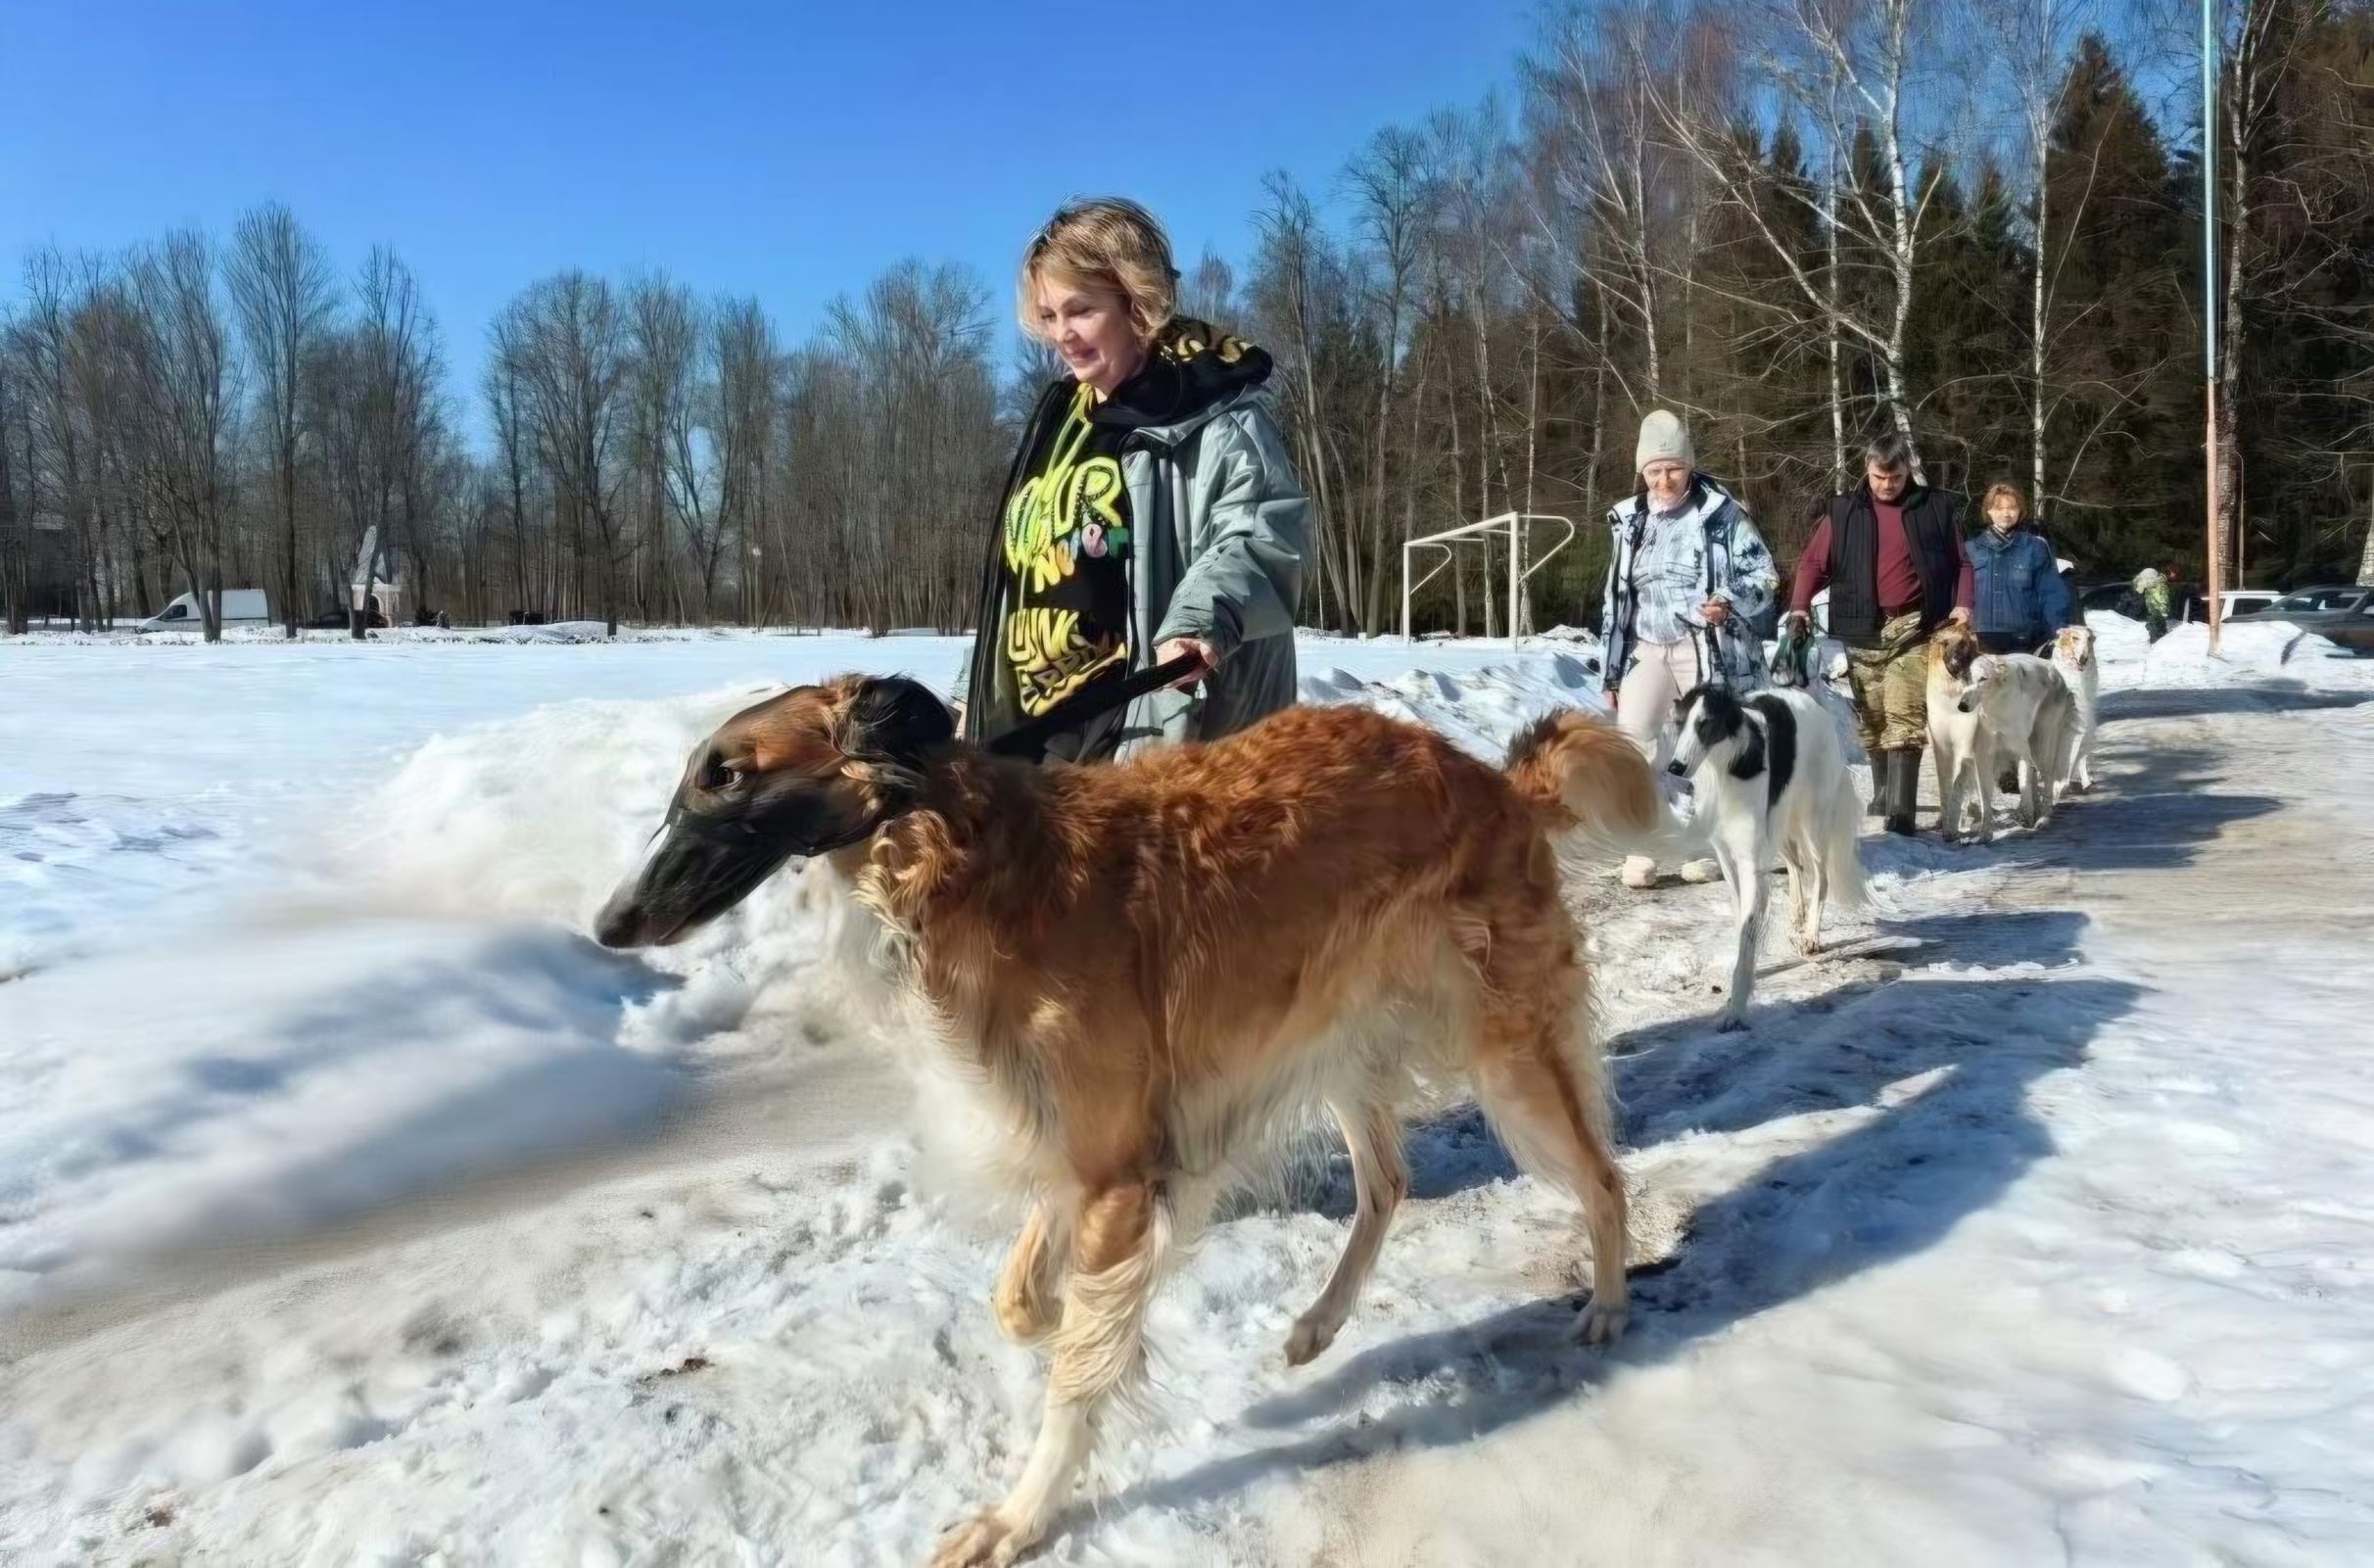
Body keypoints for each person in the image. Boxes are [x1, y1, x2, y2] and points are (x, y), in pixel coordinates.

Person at [956, 199, 1306, 762]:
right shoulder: (1059, 420)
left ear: (1137, 302)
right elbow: (1020, 575)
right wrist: (972, 691)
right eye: (1049, 316)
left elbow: (1260, 533)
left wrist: (1199, 622)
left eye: (1081, 310)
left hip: (1156, 727)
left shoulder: (1216, 414)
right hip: (1041, 731)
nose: (1063, 334)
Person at [1599, 408, 1780, 888]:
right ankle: (1644, 844)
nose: (1664, 480)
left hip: (1705, 645)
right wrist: (1611, 670)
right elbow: (1616, 598)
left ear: (1690, 465)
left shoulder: (1722, 515)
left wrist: (1729, 601)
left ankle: (1706, 845)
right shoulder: (1629, 520)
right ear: (1642, 471)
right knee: (1634, 743)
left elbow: (1765, 576)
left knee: (1706, 746)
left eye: (1674, 469)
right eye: (1654, 471)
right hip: (1646, 646)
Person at [1786, 431, 1972, 836]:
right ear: (1866, 470)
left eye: (1895, 477)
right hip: (1862, 626)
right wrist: (1799, 605)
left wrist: (1963, 605)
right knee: (1873, 718)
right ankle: (1885, 794)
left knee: (1904, 713)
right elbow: (1813, 563)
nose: (1887, 485)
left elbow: (1961, 562)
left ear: (1908, 470)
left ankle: (1901, 814)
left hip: (1915, 625)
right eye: (1878, 477)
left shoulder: (1936, 508)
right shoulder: (1843, 512)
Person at [1967, 483, 2072, 654]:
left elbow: (2051, 592)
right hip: (1981, 642)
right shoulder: (1971, 548)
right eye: (1999, 508)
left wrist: (2059, 626)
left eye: (2012, 508)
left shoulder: (2035, 547)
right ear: (1989, 511)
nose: (2006, 514)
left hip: (2026, 641)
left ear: (2020, 511)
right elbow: (1962, 594)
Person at [2134, 566, 2172, 642]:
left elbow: (2163, 601)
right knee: (2153, 626)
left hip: (2158, 614)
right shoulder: (2148, 587)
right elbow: (2139, 589)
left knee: (2156, 627)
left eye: (2145, 578)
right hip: (2153, 612)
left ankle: (2157, 640)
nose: (2143, 580)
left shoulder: (2159, 587)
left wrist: (2163, 611)